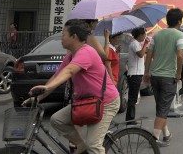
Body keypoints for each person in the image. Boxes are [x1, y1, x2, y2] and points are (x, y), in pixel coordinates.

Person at [27, 19, 119, 154]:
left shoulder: (86, 52)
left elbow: (69, 71)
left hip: (105, 102)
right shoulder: (71, 56)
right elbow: (57, 77)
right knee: (57, 120)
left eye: (63, 34)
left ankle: (87, 147)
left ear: (74, 36)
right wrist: (38, 97)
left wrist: (47, 87)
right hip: (86, 101)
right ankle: (81, 145)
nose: (61, 39)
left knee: (93, 145)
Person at [144, 8, 183, 147]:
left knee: (160, 107)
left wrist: (147, 72)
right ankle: (154, 139)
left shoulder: (157, 35)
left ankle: (166, 133)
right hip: (168, 77)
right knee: (163, 109)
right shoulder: (180, 35)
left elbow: (149, 54)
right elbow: (180, 55)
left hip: (155, 75)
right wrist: (178, 74)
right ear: (179, 21)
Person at [125, 27, 149, 124]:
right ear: (140, 35)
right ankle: (130, 119)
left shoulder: (137, 43)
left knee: (134, 97)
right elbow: (140, 54)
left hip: (137, 73)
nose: (144, 37)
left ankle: (131, 118)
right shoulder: (135, 43)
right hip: (134, 73)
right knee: (133, 97)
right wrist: (146, 44)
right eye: (144, 34)